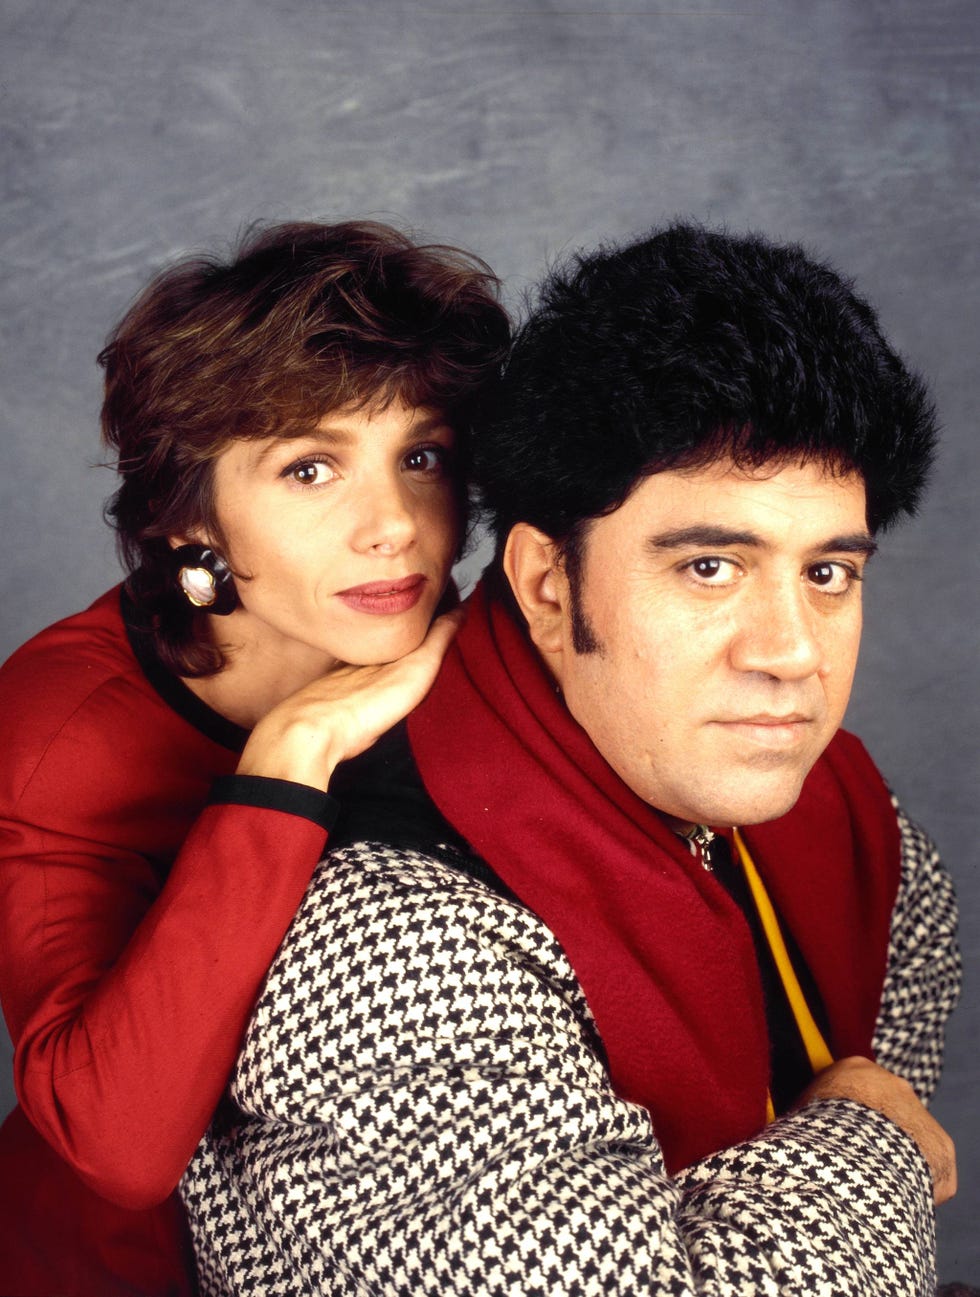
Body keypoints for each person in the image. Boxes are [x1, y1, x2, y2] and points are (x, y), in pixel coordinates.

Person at [183, 224, 961, 1295]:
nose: (789, 653)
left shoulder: (868, 842)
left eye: (827, 573)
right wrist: (860, 1141)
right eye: (707, 566)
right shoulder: (391, 952)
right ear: (548, 585)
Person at [0, 220, 509, 1295]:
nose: (393, 528)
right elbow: (119, 1146)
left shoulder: (480, 644)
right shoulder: (62, 731)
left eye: (420, 456)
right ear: (193, 521)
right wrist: (291, 754)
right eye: (310, 467)